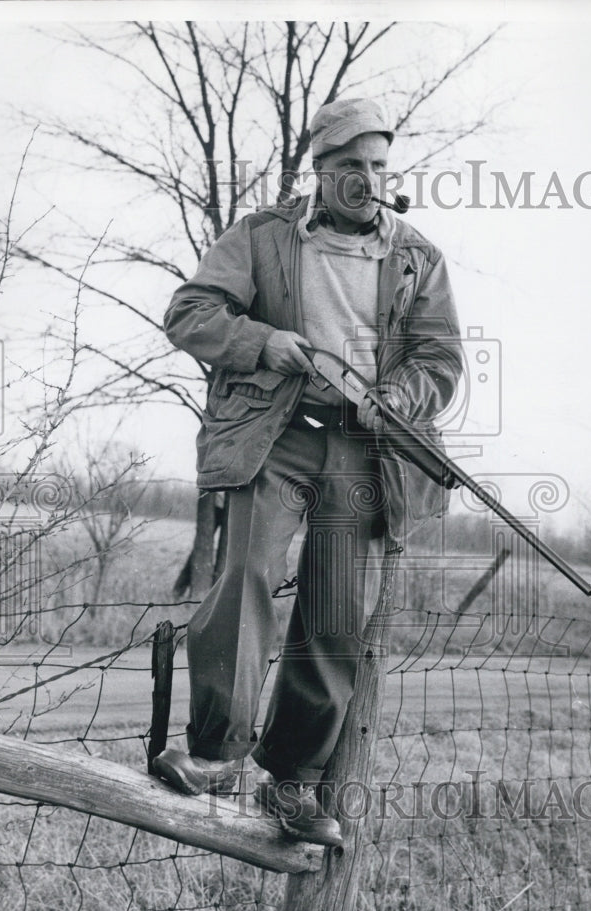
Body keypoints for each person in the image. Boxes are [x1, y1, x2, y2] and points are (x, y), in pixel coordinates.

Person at [155, 98, 462, 846]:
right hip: (275, 435)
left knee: (334, 614)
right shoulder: (259, 235)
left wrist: (395, 396)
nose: (365, 178)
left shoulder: (418, 256)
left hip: (367, 452)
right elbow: (191, 312)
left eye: (378, 165)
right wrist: (263, 342)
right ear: (319, 171)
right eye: (349, 165)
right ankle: (214, 754)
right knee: (244, 577)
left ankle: (289, 781)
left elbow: (441, 361)